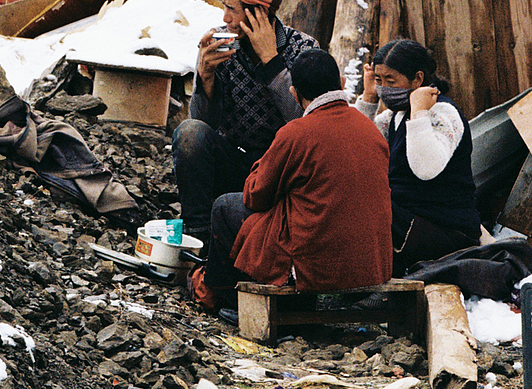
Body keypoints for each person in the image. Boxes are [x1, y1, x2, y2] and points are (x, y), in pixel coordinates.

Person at [200, 49, 393, 307]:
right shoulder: (369, 128)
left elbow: (256, 195)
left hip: (318, 267)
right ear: (341, 84)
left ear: (294, 93)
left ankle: (226, 301)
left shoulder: (297, 132)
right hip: (371, 265)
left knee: (224, 207)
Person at [173, 0, 318, 250]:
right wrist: (205, 76)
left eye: (231, 9)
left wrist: (272, 63)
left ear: (257, 14)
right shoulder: (225, 46)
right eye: (224, 7)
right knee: (189, 132)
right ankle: (197, 234)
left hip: (282, 171)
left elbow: (307, 124)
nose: (224, 17)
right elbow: (204, 126)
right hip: (237, 161)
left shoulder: (303, 49)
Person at [359, 39, 481, 274]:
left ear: (417, 79)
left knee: (367, 207)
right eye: (379, 80)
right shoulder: (393, 117)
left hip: (445, 231)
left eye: (390, 81)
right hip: (409, 223)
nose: (384, 88)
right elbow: (358, 151)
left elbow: (425, 168)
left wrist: (420, 111)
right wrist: (369, 98)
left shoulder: (443, 113)